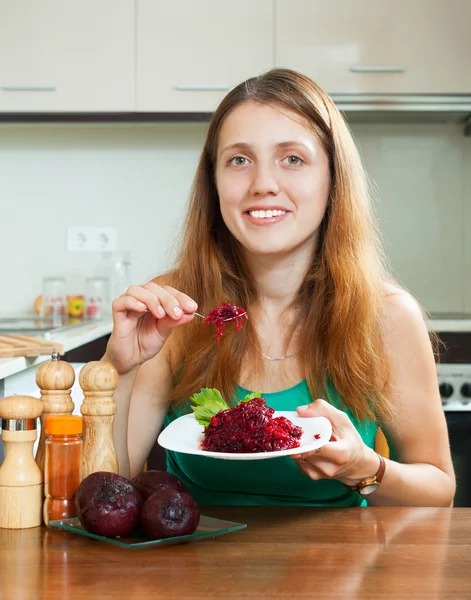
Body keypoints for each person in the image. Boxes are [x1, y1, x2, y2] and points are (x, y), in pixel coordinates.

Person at [103, 68, 455, 507]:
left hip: (344, 570)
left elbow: (438, 490)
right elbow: (105, 485)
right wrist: (118, 371)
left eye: (292, 159)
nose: (263, 184)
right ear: (213, 183)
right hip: (192, 568)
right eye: (239, 159)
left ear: (333, 178)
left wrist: (366, 468)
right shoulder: (170, 310)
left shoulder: (386, 315)